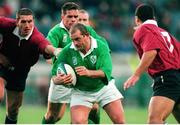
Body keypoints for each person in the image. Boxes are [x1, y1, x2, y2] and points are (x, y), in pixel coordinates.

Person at [42, 2, 108, 124]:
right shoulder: (55, 32)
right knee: (53, 116)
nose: (73, 19)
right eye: (69, 16)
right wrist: (55, 58)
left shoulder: (85, 30)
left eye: (75, 17)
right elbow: (47, 48)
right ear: (62, 16)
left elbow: (102, 45)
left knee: (92, 108)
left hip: (82, 77)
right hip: (64, 77)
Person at [52, 23, 125, 124]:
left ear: (86, 35)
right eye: (72, 40)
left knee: (120, 121)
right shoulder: (67, 51)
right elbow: (54, 76)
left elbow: (106, 72)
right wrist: (58, 80)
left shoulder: (101, 47)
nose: (75, 43)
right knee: (78, 123)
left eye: (77, 39)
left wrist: (88, 73)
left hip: (104, 88)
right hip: (81, 92)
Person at [123, 4, 180, 124]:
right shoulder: (164, 32)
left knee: (154, 120)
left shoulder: (143, 29)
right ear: (154, 18)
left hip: (168, 79)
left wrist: (136, 74)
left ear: (136, 19)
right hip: (175, 78)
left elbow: (151, 51)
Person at [0, 8, 58, 124]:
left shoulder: (36, 38)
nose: (27, 25)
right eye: (23, 21)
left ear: (34, 21)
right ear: (17, 22)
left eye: (30, 21)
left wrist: (56, 51)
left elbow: (46, 46)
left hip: (20, 73)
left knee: (13, 111)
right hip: (1, 66)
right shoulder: (5, 24)